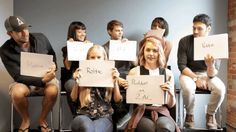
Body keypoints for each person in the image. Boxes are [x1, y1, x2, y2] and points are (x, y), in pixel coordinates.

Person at [0, 16, 58, 132]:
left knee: (52, 90)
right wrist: (42, 81)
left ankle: (42, 120)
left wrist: (54, 67)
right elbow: (17, 76)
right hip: (24, 82)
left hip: (46, 78)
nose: (24, 33)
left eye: (26, 28)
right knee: (17, 93)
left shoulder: (41, 38)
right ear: (9, 33)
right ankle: (26, 120)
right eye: (19, 31)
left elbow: (53, 55)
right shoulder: (5, 50)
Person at [177, 14, 225, 129]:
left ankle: (210, 115)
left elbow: (213, 74)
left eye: (199, 28)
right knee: (188, 89)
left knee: (220, 89)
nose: (195, 31)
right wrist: (196, 78)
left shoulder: (216, 44)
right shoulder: (184, 41)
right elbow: (182, 66)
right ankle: (189, 116)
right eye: (194, 28)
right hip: (188, 73)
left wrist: (210, 66)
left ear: (208, 29)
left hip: (207, 74)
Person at [125, 36, 180, 132]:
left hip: (162, 111)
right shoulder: (134, 72)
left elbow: (171, 105)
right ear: (143, 52)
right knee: (148, 129)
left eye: (155, 51)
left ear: (160, 53)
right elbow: (133, 101)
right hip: (142, 112)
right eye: (148, 50)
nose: (151, 54)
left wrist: (171, 93)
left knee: (164, 127)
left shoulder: (168, 73)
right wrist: (130, 91)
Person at [70, 45, 123, 132]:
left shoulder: (110, 74)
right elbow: (73, 98)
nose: (96, 60)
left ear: (104, 59)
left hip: (104, 117)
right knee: (86, 127)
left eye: (99, 57)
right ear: (88, 59)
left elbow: (118, 100)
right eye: (92, 57)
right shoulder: (82, 72)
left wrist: (115, 82)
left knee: (92, 129)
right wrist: (76, 81)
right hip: (83, 115)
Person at [102, 20, 136, 129]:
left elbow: (136, 63)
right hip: (111, 76)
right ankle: (122, 117)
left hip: (128, 75)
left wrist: (129, 48)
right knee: (112, 85)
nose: (120, 33)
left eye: (121, 30)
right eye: (117, 30)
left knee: (130, 84)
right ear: (109, 32)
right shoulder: (104, 48)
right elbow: (105, 69)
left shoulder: (127, 44)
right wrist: (118, 79)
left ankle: (123, 118)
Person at [61, 21, 91, 115]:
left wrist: (90, 50)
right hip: (71, 77)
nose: (83, 34)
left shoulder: (89, 47)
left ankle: (90, 114)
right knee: (72, 85)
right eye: (79, 32)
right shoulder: (66, 48)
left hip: (87, 77)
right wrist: (71, 48)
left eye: (84, 31)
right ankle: (76, 115)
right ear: (73, 33)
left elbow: (92, 65)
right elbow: (68, 66)